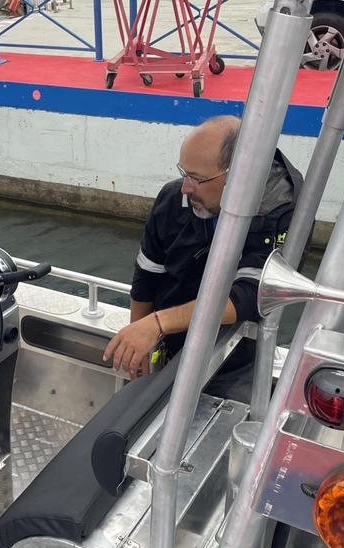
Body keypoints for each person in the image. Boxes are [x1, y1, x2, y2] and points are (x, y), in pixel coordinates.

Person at [102, 115, 303, 402]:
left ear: (240, 175)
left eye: (196, 178)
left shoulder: (279, 215)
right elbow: (147, 274)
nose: (185, 187)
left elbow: (250, 295)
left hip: (233, 358)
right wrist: (140, 342)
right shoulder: (174, 198)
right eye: (184, 173)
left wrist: (157, 323)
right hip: (170, 347)